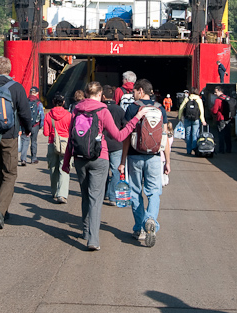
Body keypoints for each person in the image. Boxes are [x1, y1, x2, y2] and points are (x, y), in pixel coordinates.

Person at [62, 81, 147, 251]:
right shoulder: (102, 111)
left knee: (85, 196)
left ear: (86, 94)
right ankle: (93, 239)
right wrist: (136, 119)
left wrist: (66, 162)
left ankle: (86, 231)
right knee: (95, 198)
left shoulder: (76, 109)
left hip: (80, 158)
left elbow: (72, 137)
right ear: (100, 94)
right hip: (100, 157)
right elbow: (118, 135)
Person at [0, 56, 32, 229]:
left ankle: (2, 208)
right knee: (10, 174)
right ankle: (0, 211)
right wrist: (28, 129)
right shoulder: (16, 88)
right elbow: (24, 112)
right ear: (8, 70)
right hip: (9, 136)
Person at [120, 78, 170, 248]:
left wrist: (122, 160)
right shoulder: (160, 109)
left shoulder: (133, 108)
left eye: (134, 91)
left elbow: (127, 136)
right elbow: (165, 138)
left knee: (135, 192)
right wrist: (167, 162)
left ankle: (139, 228)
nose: (132, 94)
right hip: (155, 158)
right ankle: (151, 219)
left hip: (135, 156)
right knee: (154, 192)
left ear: (141, 91)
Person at [43, 93, 72, 203]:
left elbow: (46, 133)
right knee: (64, 168)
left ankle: (54, 191)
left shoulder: (48, 115)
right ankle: (62, 194)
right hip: (66, 144)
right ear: (63, 102)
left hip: (52, 142)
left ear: (53, 102)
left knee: (53, 168)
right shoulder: (69, 115)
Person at [101, 84, 127, 205]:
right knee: (116, 171)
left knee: (103, 171)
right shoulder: (119, 109)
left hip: (102, 144)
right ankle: (112, 197)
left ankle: (104, 194)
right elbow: (125, 126)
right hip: (117, 144)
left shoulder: (100, 109)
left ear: (104, 96)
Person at [19, 86, 44, 166]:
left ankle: (23, 159)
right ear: (37, 93)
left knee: (25, 142)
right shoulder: (38, 103)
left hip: (25, 125)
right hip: (35, 125)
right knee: (34, 142)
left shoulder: (24, 102)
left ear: (29, 92)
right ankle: (33, 159)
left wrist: (21, 124)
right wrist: (40, 125)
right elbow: (42, 116)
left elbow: (21, 114)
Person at [176, 89, 205, 156]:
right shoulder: (198, 99)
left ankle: (189, 150)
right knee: (195, 134)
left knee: (188, 134)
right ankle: (194, 148)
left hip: (187, 118)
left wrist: (180, 117)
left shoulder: (187, 99)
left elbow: (181, 108)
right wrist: (203, 120)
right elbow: (201, 110)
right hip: (196, 119)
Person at [211, 86, 234, 154]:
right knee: (228, 134)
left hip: (221, 119)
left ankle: (221, 150)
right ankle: (229, 149)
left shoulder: (218, 100)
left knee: (221, 134)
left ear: (219, 91)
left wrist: (211, 109)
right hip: (228, 118)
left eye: (216, 92)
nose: (215, 93)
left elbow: (215, 111)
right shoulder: (228, 98)